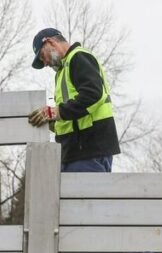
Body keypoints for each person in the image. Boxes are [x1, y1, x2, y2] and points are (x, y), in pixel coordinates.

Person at [28, 27, 121, 173]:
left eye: (42, 56)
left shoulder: (78, 57)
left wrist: (55, 113)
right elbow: (72, 113)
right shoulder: (62, 71)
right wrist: (55, 123)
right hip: (76, 152)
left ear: (50, 42)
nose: (45, 63)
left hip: (88, 150)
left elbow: (93, 94)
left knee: (85, 195)